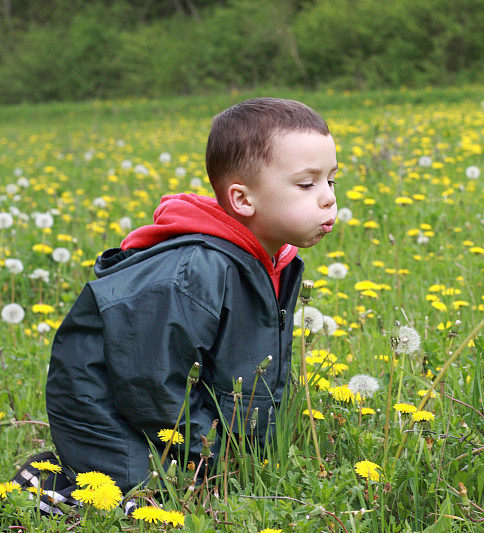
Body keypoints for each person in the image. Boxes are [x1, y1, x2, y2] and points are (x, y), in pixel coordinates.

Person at [12, 97, 338, 514]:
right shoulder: (195, 271)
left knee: (206, 489)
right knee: (146, 504)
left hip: (160, 409)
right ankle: (47, 484)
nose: (328, 198)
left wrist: (243, 449)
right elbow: (150, 380)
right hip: (109, 413)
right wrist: (209, 453)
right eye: (307, 184)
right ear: (242, 200)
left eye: (332, 180)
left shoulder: (271, 260)